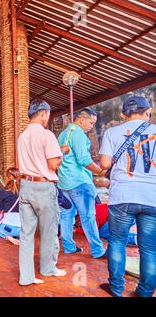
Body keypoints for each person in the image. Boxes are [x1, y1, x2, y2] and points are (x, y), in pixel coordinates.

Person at [98, 96, 156, 297]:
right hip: (152, 197)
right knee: (149, 248)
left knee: (117, 241)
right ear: (147, 112)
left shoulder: (112, 132)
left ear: (124, 114)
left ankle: (116, 288)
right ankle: (145, 292)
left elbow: (104, 164)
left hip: (122, 195)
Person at [17, 99, 66, 286]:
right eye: (48, 114)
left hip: (25, 185)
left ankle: (26, 277)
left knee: (26, 233)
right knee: (49, 231)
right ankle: (48, 268)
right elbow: (52, 164)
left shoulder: (22, 136)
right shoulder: (47, 135)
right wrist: (62, 156)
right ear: (43, 114)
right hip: (44, 187)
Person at [57, 108, 107, 258]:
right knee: (88, 217)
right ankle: (98, 250)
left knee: (67, 216)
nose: (92, 126)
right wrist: (99, 171)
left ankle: (68, 247)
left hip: (64, 181)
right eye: (91, 122)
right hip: (79, 182)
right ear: (81, 120)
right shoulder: (78, 133)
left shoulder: (63, 134)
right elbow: (83, 160)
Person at [0, 168, 21, 245]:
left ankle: (8, 237)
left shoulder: (4, 191)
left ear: (7, 178)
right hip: (22, 230)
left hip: (7, 229)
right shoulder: (24, 191)